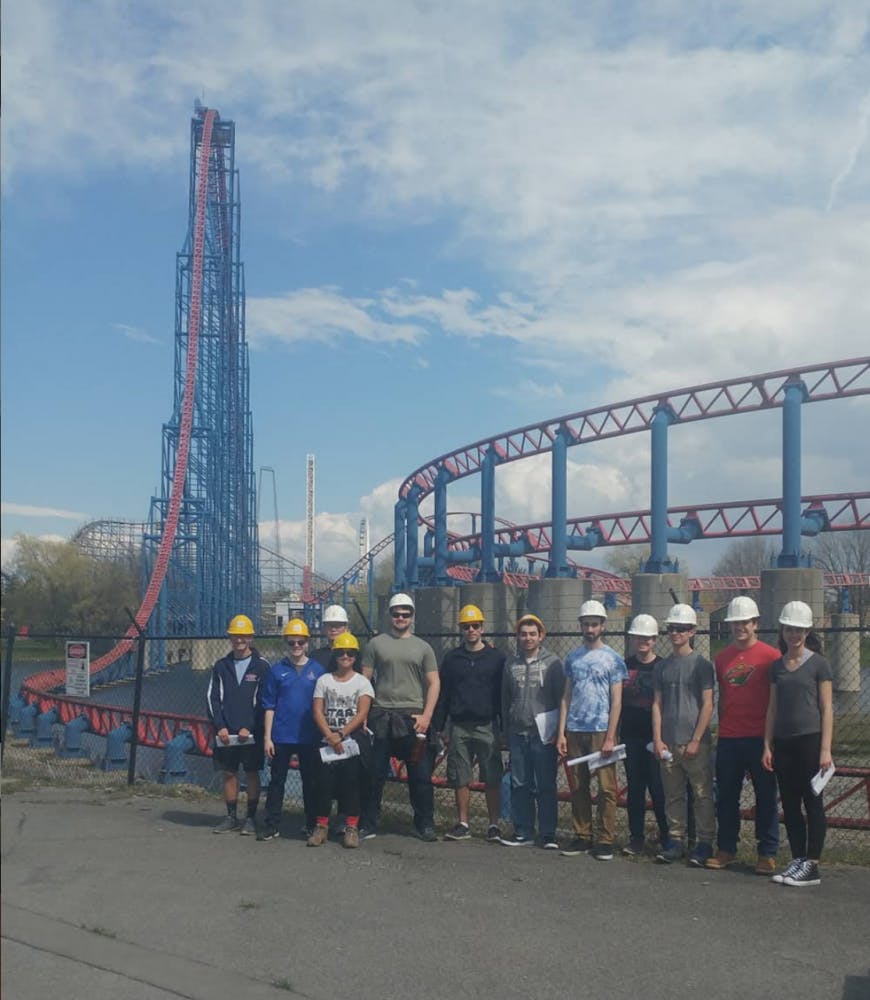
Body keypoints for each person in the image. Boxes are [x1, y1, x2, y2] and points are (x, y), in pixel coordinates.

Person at [707, 596, 781, 875]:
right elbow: (723, 698)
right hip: (729, 737)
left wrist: (770, 742)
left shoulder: (771, 656)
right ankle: (726, 849)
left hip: (760, 738)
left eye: (745, 622)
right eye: (735, 623)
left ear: (756, 624)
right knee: (726, 796)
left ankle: (767, 853)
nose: (740, 627)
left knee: (765, 796)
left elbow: (776, 700)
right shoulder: (722, 657)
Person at [762, 601, 834, 887]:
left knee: (812, 801)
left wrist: (825, 749)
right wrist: (767, 745)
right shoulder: (777, 667)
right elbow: (772, 709)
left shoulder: (819, 664)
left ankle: (812, 864)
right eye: (790, 629)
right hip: (784, 742)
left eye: (799, 630)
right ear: (783, 631)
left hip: (810, 740)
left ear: (807, 631)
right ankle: (797, 859)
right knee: (790, 804)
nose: (794, 635)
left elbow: (827, 708)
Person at [360, 592, 441, 841]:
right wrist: (362, 715)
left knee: (421, 777)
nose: (401, 618)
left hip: (412, 718)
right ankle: (369, 822)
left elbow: (434, 683)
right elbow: (364, 681)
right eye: (396, 614)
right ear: (390, 616)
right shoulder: (375, 644)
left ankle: (424, 823)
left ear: (412, 616)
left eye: (406, 614)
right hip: (381, 715)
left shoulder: (423, 647)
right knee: (374, 775)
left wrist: (426, 716)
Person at [557, 600, 627, 861]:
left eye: (594, 624)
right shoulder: (573, 658)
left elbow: (617, 701)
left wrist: (611, 736)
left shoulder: (613, 659)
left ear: (602, 626)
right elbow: (566, 696)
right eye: (586, 624)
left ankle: (605, 839)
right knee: (578, 786)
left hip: (600, 730)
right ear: (581, 626)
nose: (589, 629)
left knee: (607, 788)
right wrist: (561, 732)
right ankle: (582, 835)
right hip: (575, 728)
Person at [433, 604, 505, 843]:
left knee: (491, 776)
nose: (471, 630)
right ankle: (463, 823)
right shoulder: (452, 658)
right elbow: (444, 694)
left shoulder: (497, 658)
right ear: (461, 630)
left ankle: (493, 824)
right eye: (466, 626)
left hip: (487, 724)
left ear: (482, 628)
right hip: (459, 725)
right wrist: (439, 725)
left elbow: (502, 695)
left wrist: (503, 727)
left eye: (475, 626)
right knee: (460, 777)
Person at [652, 603, 716, 867]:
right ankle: (675, 841)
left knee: (702, 795)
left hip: (694, 744)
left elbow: (708, 704)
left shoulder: (701, 665)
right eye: (671, 628)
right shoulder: (662, 667)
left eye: (680, 629)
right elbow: (657, 704)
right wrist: (657, 738)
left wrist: (696, 739)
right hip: (668, 741)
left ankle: (704, 843)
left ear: (692, 632)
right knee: (673, 795)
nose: (675, 633)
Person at [500, 613, 564, 848]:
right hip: (518, 732)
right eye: (523, 634)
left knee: (545, 784)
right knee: (520, 783)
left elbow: (561, 699)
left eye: (532, 634)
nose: (527, 638)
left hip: (543, 734)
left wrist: (559, 731)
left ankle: (548, 833)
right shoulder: (511, 663)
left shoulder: (553, 663)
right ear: (518, 636)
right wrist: (505, 731)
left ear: (541, 636)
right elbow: (504, 699)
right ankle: (523, 831)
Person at [259, 619, 325, 841]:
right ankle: (271, 825)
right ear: (285, 643)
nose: (296, 646)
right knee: (277, 781)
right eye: (292, 642)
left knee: (312, 782)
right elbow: (269, 706)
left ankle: (311, 824)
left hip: (309, 735)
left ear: (307, 643)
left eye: (300, 642)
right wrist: (267, 738)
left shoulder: (318, 670)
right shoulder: (276, 671)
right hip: (281, 735)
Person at [308, 633, 375, 849]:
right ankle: (321, 827)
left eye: (350, 653)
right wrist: (330, 735)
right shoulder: (324, 680)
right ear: (335, 655)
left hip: (351, 738)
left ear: (356, 656)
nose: (345, 656)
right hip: (328, 738)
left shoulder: (362, 682)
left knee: (352, 783)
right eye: (340, 653)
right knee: (323, 784)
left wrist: (342, 734)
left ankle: (352, 828)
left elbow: (362, 712)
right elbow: (317, 710)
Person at [206, 614, 270, 835]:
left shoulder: (262, 666)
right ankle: (231, 817)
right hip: (227, 733)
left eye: (243, 636)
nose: (239, 640)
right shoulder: (221, 666)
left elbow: (265, 701)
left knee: (252, 773)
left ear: (251, 637)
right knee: (229, 773)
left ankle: (250, 819)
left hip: (251, 734)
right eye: (235, 636)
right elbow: (212, 698)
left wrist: (250, 727)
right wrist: (220, 726)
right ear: (230, 638)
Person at [619, 613, 669, 856]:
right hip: (630, 736)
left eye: (647, 638)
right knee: (635, 790)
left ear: (655, 640)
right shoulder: (624, 665)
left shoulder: (663, 665)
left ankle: (667, 836)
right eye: (639, 637)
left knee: (659, 790)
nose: (643, 641)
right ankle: (636, 838)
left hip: (655, 738)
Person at [311, 604, 357, 672]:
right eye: (329, 625)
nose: (333, 629)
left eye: (338, 625)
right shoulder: (315, 656)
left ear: (346, 628)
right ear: (324, 628)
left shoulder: (353, 655)